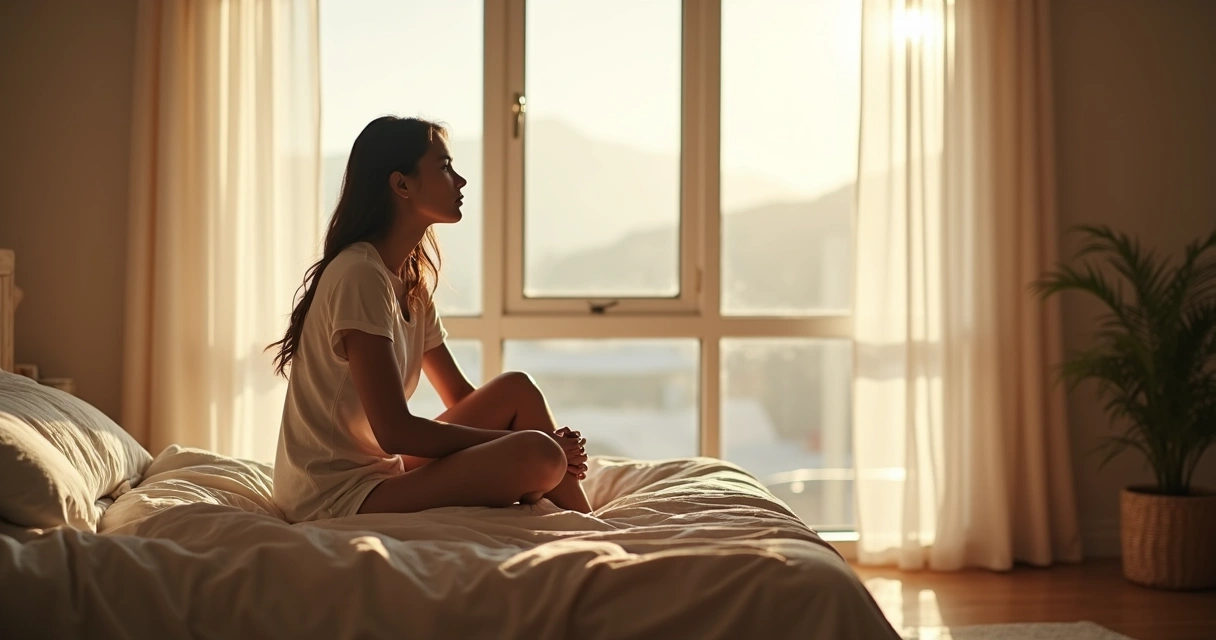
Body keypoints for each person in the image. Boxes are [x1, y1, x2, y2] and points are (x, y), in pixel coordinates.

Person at [268, 116, 592, 522]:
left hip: (380, 470)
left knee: (518, 391)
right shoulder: (360, 275)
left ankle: (591, 522)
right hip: (333, 494)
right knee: (539, 453)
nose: (461, 181)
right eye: (444, 167)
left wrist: (525, 436)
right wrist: (528, 442)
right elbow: (395, 432)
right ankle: (585, 515)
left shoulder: (410, 282)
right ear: (401, 185)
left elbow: (461, 398)